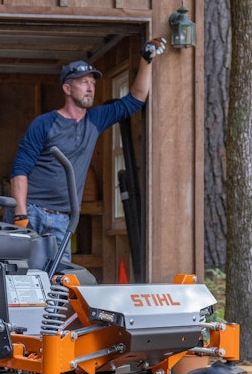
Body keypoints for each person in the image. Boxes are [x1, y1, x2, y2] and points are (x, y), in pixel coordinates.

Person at [10, 38, 166, 264]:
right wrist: (20, 213)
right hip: (32, 212)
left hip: (62, 218)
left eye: (92, 83)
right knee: (23, 275)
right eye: (83, 82)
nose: (90, 88)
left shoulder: (94, 120)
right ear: (67, 88)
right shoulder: (44, 123)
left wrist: (146, 60)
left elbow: (136, 99)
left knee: (60, 278)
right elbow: (20, 169)